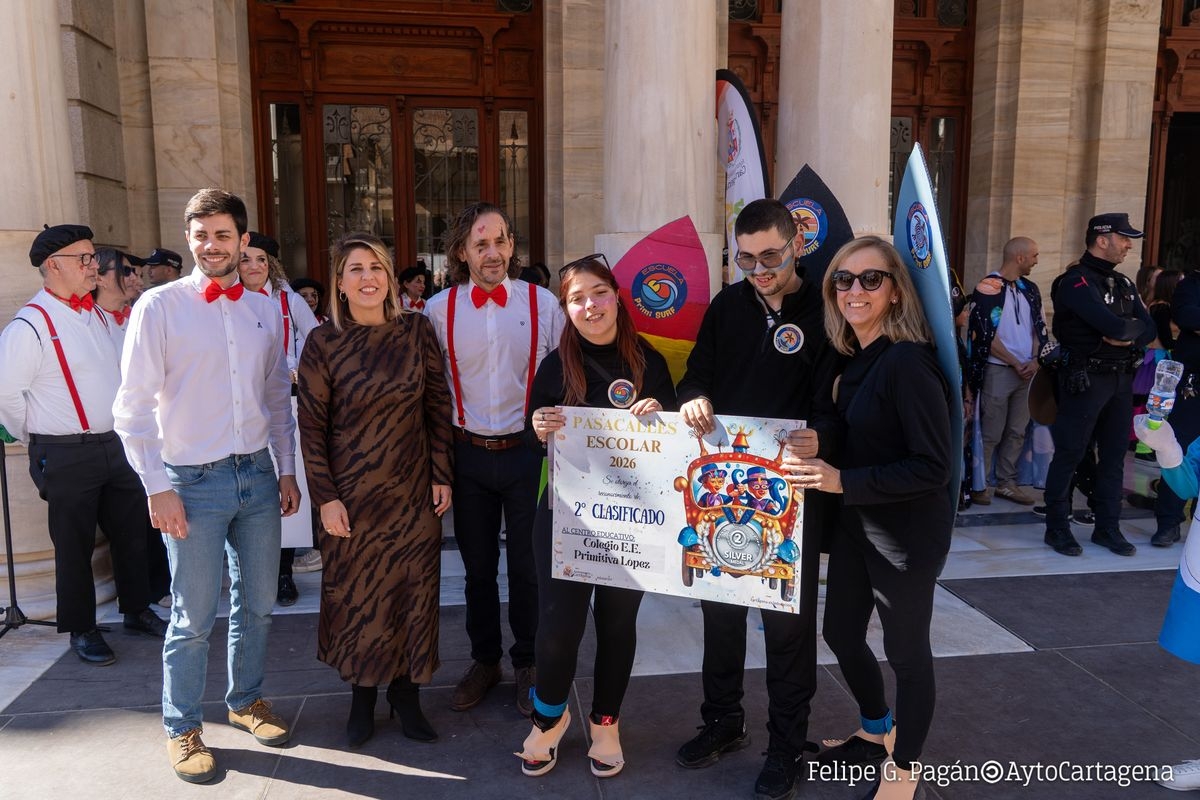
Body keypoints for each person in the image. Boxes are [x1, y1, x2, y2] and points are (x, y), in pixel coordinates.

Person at [114, 188, 301, 784]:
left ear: (243, 241)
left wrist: (288, 468)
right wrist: (155, 487)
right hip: (191, 481)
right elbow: (132, 407)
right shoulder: (159, 307)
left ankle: (245, 700)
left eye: (223, 235)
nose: (212, 246)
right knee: (193, 613)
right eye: (201, 235)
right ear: (190, 238)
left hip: (256, 473)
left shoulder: (266, 309)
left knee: (259, 604)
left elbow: (276, 397)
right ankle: (182, 727)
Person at [673, 198, 834, 800]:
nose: (760, 270)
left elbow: (835, 399)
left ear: (797, 245)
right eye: (746, 259)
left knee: (786, 625)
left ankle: (787, 746)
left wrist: (825, 435)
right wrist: (692, 397)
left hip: (790, 490)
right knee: (720, 609)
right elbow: (697, 374)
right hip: (723, 485)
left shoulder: (824, 308)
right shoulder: (726, 307)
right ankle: (723, 720)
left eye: (771, 256)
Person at [789, 236, 953, 800]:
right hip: (859, 523)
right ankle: (876, 728)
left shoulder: (907, 362)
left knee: (907, 653)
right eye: (842, 279)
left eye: (870, 279)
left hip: (904, 535)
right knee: (839, 632)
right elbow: (859, 437)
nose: (853, 290)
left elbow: (934, 467)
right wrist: (821, 442)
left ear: (895, 290)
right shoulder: (858, 356)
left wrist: (841, 481)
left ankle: (904, 771)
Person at [514, 256, 676, 778]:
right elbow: (529, 440)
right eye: (578, 298)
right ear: (566, 308)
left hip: (631, 521)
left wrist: (660, 421)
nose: (591, 305)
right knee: (557, 625)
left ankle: (606, 722)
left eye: (599, 293)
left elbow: (676, 444)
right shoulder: (555, 366)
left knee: (617, 621)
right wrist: (538, 426)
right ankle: (549, 720)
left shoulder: (650, 361)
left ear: (617, 297)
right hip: (565, 516)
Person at [298, 232, 453, 748]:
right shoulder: (322, 343)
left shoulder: (417, 330)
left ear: (389, 278)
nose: (368, 278)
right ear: (339, 284)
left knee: (414, 593)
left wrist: (441, 473)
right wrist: (326, 498)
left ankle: (406, 694)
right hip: (352, 495)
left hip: (412, 492)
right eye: (356, 269)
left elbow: (437, 405)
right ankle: (362, 696)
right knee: (360, 598)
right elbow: (311, 427)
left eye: (377, 268)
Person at [0, 225, 167, 667]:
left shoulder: (91, 313)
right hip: (65, 452)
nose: (94, 266)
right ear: (53, 265)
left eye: (93, 258)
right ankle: (82, 628)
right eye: (85, 259)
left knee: (131, 532)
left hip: (115, 444)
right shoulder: (29, 325)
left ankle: (136, 609)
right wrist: (34, 438)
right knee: (72, 545)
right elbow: (6, 396)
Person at [424, 202, 564, 717]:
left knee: (528, 568)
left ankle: (527, 659)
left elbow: (566, 377)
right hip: (469, 457)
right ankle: (485, 661)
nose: (493, 253)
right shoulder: (439, 311)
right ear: (462, 251)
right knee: (477, 569)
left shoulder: (543, 303)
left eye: (500, 241)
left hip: (528, 455)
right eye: (480, 244)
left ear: (512, 245)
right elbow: (432, 394)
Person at [1042, 213, 1154, 557]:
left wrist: (1120, 335)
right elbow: (1117, 327)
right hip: (1085, 379)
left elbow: (1147, 331)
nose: (1129, 244)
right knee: (1071, 453)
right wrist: (1120, 332)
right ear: (1102, 239)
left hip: (1121, 379)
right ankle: (1057, 527)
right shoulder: (1074, 282)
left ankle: (1108, 528)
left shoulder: (1122, 283)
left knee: (1115, 455)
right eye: (1124, 238)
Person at [238, 232, 321, 605]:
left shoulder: (288, 299)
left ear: (272, 264)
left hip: (285, 403)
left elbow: (319, 341)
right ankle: (254, 575)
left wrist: (299, 369)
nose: (254, 267)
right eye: (246, 259)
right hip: (242, 405)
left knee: (286, 489)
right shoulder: (229, 299)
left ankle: (284, 574)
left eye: (261, 260)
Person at [965, 237, 1046, 506]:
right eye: (1034, 255)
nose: (1037, 260)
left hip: (1028, 372)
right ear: (1019, 257)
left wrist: (1035, 359)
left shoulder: (1030, 289)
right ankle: (979, 484)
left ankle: (1007, 483)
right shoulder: (987, 288)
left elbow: (1039, 328)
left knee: (1017, 431)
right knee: (990, 431)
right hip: (999, 371)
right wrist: (1013, 361)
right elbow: (984, 335)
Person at [1152, 266, 1200, 547]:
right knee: (1176, 451)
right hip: (1193, 389)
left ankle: (1197, 522)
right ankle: (1168, 523)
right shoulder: (1191, 284)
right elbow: (1186, 315)